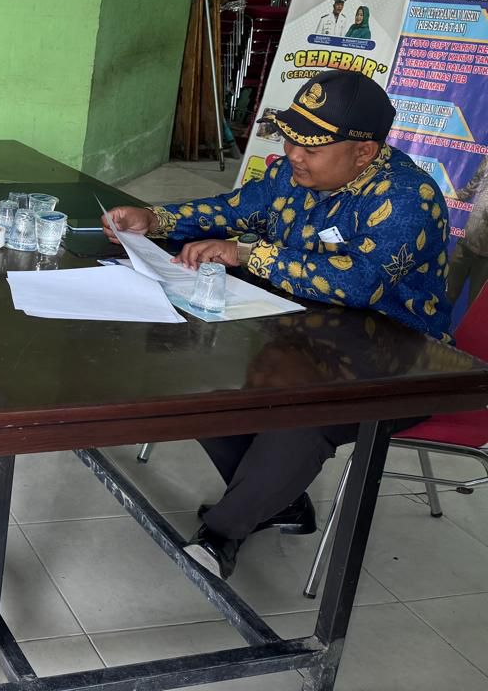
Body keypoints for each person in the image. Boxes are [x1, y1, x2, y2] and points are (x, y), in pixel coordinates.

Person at [104, 69, 451, 580]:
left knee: (302, 414)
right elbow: (235, 208)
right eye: (292, 139)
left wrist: (247, 253)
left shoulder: (406, 199)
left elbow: (359, 283)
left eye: (312, 147)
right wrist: (156, 220)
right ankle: (278, 502)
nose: (294, 154)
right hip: (303, 330)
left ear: (363, 151)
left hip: (399, 359)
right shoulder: (293, 173)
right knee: (199, 370)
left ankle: (222, 533)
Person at [448, 155, 488, 308]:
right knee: (448, 293)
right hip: (466, 242)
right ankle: (432, 331)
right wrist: (449, 195)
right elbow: (471, 187)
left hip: (486, 258)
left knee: (475, 305)